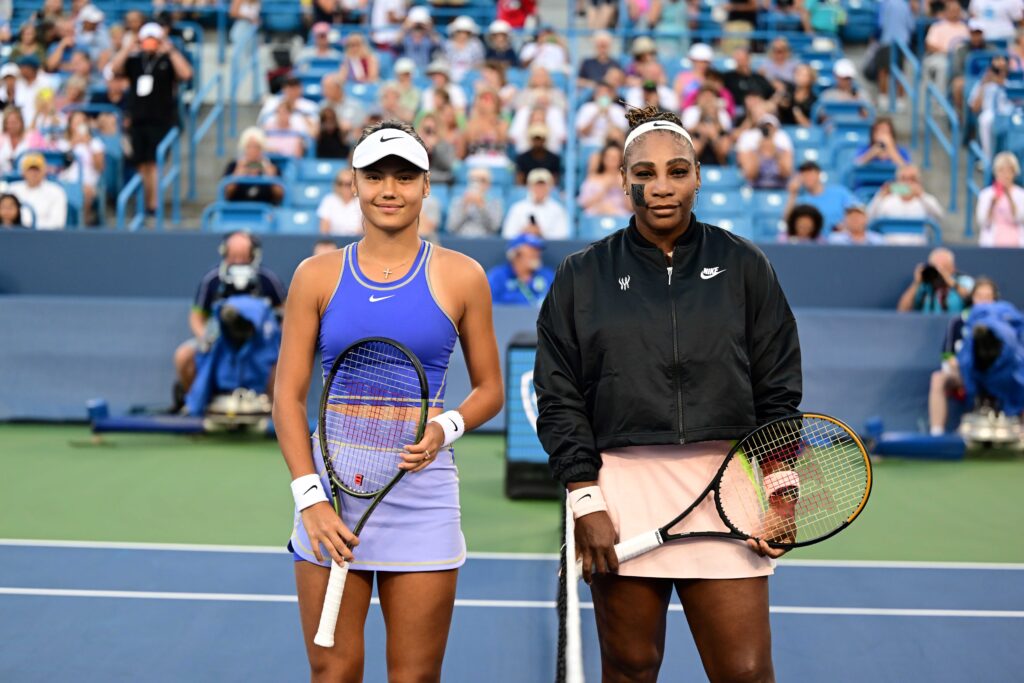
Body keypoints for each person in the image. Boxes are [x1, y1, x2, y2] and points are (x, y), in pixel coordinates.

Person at [534, 105, 801, 683]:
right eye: (645, 173)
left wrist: (781, 494)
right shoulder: (582, 274)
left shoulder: (745, 265)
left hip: (726, 492)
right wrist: (585, 500)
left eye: (677, 172)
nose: (661, 188)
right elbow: (558, 396)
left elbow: (778, 388)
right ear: (624, 179)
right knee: (630, 668)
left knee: (747, 673)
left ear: (699, 176)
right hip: (620, 495)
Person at [272, 120, 503, 682]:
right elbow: (285, 397)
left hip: (422, 497)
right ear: (354, 184)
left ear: (427, 187)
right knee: (333, 673)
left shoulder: (463, 275)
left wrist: (443, 429)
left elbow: (490, 389)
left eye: (404, 176)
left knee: (415, 678)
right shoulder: (315, 275)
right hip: (330, 499)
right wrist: (311, 500)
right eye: (375, 176)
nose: (389, 189)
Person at [174, 231, 287, 401]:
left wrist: (278, 338)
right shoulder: (212, 279)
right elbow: (196, 316)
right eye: (233, 256)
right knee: (183, 356)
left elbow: (286, 311)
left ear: (254, 254)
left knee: (282, 364)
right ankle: (195, 403)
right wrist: (204, 337)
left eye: (242, 256)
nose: (238, 261)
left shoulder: (267, 279)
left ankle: (272, 409)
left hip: (260, 343)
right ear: (224, 253)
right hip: (219, 341)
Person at [111, 22, 192, 219]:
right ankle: (144, 203)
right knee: (141, 164)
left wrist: (170, 50)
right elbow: (115, 68)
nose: (149, 43)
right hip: (138, 119)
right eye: (146, 39)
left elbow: (186, 74)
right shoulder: (136, 60)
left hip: (160, 119)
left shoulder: (167, 59)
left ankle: (153, 205)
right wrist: (128, 47)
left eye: (152, 39)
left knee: (154, 163)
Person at [928, 277, 1000, 434]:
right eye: (980, 296)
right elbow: (947, 355)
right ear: (973, 298)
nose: (984, 301)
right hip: (963, 374)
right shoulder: (958, 322)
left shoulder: (1004, 322)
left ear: (995, 300)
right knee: (938, 378)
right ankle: (936, 434)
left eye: (988, 297)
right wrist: (959, 365)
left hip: (997, 375)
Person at [57, 110, 105, 225]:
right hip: (65, 180)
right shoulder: (62, 143)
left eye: (82, 121)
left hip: (89, 181)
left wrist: (88, 145)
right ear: (70, 125)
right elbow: (60, 166)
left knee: (86, 192)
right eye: (76, 121)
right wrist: (72, 144)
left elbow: (100, 167)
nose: (79, 124)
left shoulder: (96, 143)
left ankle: (82, 225)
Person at [783, 160, 858, 231]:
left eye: (810, 173)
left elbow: (858, 210)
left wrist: (846, 225)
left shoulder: (839, 192)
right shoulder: (802, 201)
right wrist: (792, 194)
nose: (808, 177)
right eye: (804, 175)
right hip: (814, 242)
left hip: (841, 239)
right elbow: (788, 222)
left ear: (818, 174)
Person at [897, 247, 975, 312]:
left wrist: (950, 281)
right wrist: (916, 283)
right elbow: (902, 310)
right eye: (935, 268)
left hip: (953, 326)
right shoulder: (925, 285)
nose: (939, 273)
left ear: (953, 268)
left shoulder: (964, 281)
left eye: (944, 267)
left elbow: (973, 300)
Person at [222, 127, 285, 205]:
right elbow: (226, 193)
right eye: (249, 147)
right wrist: (237, 176)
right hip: (238, 211)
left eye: (256, 147)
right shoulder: (234, 165)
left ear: (262, 148)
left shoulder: (271, 166)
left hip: (265, 212)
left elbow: (280, 195)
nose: (253, 150)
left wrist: (272, 178)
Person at [502, 168, 570, 239]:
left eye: (543, 185)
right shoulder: (517, 208)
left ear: (550, 187)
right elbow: (507, 234)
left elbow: (562, 236)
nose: (539, 189)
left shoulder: (557, 209)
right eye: (536, 185)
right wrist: (524, 233)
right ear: (529, 187)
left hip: (550, 248)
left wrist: (541, 233)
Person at [968, 56, 1014, 159]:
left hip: (1008, 113)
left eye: (1003, 69)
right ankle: (987, 160)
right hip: (990, 113)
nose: (1000, 73)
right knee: (985, 120)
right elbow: (974, 108)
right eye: (996, 70)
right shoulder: (982, 84)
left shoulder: (1012, 84)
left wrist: (1002, 83)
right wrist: (983, 86)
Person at [975, 151, 1024, 248]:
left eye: (1009, 171)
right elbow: (982, 221)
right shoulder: (986, 194)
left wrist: (1009, 198)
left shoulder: (1021, 194)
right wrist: (992, 204)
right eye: (1001, 171)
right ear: (996, 172)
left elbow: (1020, 218)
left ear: (1014, 173)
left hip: (1017, 245)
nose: (1005, 175)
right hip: (992, 245)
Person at [866, 164, 944, 224]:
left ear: (919, 182)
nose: (908, 183)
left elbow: (940, 216)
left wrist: (922, 196)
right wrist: (880, 196)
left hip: (919, 244)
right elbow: (869, 219)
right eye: (903, 179)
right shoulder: (887, 200)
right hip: (889, 244)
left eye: (912, 179)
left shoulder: (925, 200)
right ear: (897, 181)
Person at [10, 152, 67, 230]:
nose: (33, 173)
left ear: (44, 171)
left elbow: (57, 223)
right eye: (30, 169)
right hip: (14, 234)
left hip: (44, 237)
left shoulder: (56, 191)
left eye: (37, 170)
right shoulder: (12, 190)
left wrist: (30, 227)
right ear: (23, 172)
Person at [923, 1, 970, 96]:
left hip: (960, 58)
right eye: (952, 10)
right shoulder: (937, 26)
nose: (955, 13)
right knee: (944, 67)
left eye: (957, 11)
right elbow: (929, 46)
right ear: (946, 11)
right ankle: (940, 100)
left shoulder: (964, 27)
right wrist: (946, 52)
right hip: (940, 57)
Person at [736, 114, 793, 189]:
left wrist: (775, 152)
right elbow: (750, 175)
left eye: (770, 128)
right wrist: (759, 152)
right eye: (764, 129)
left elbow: (786, 173)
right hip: (758, 190)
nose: (768, 132)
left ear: (775, 131)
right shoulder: (753, 151)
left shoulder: (783, 151)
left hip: (778, 188)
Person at [682, 85, 733, 166]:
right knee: (693, 146)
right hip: (696, 138)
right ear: (698, 98)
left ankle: (723, 167)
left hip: (716, 140)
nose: (707, 100)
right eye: (704, 96)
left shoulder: (722, 113)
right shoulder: (691, 111)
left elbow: (725, 131)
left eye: (710, 97)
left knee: (724, 145)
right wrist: (703, 133)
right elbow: (687, 130)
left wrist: (714, 135)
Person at [446, 166, 504, 237]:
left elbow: (494, 228)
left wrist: (482, 206)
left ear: (488, 184)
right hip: (461, 240)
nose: (477, 183)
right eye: (473, 180)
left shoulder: (495, 203)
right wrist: (464, 206)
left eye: (482, 180)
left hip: (485, 241)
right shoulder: (458, 201)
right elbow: (451, 227)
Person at [578, 142, 631, 217]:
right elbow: (584, 204)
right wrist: (604, 190)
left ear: (620, 159)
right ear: (603, 158)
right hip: (596, 215)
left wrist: (624, 189)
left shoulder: (627, 179)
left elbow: (632, 208)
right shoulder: (593, 178)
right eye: (609, 157)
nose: (612, 160)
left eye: (615, 157)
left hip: (619, 217)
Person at [575, 81, 629, 147]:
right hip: (590, 144)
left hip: (610, 146)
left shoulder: (618, 110)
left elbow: (620, 134)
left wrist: (608, 115)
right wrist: (596, 115)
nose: (603, 95)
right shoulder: (587, 107)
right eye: (600, 92)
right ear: (595, 95)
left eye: (606, 93)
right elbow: (583, 132)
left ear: (612, 95)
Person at [318, 168, 362, 236]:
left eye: (348, 184)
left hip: (356, 241)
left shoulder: (361, 201)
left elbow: (364, 229)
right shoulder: (329, 200)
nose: (344, 187)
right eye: (340, 183)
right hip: (334, 242)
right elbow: (324, 230)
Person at [443, 15, 484, 84]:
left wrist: (468, 73)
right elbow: (444, 61)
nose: (462, 34)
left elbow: (479, 62)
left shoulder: (476, 45)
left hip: (471, 76)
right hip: (450, 75)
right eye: (460, 32)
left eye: (466, 32)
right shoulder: (448, 44)